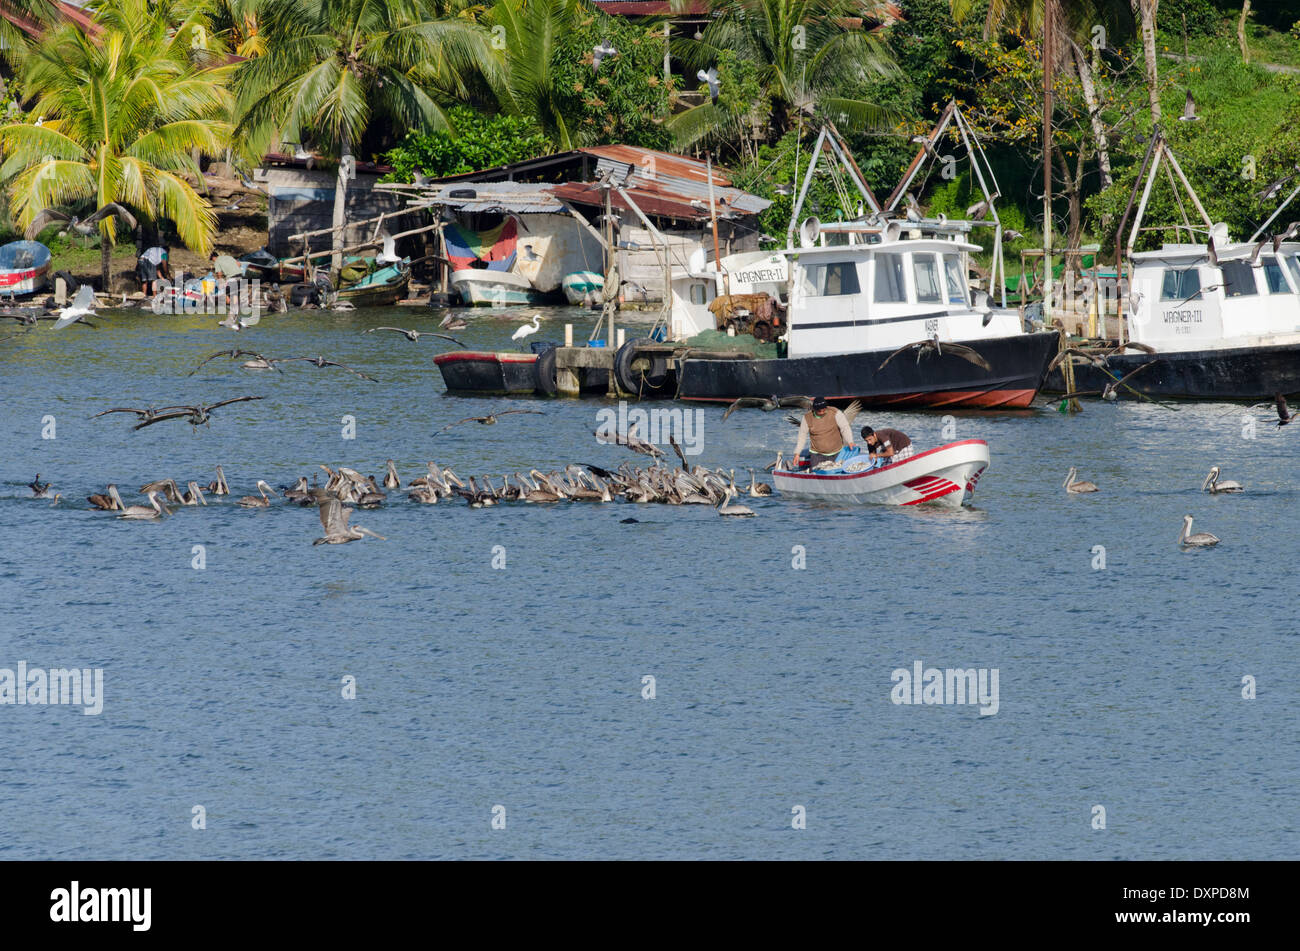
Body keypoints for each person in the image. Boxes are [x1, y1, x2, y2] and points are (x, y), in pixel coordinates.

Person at [793, 396, 856, 468]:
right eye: (819, 411)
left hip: (836, 453)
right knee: (817, 475)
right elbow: (802, 436)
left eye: (824, 409)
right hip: (817, 455)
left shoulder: (835, 412)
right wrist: (797, 453)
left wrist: (850, 441)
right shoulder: (807, 418)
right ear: (814, 409)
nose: (822, 412)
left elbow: (845, 428)